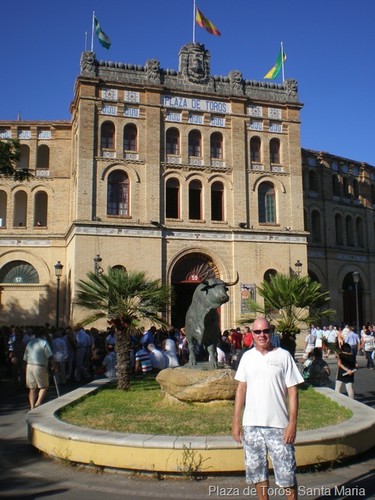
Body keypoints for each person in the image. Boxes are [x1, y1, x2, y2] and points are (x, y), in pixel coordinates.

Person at [232, 317, 303, 500]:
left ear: (271, 332)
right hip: (252, 426)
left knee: (287, 474)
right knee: (258, 473)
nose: (262, 335)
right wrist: (236, 422)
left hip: (279, 426)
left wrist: (292, 424)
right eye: (257, 332)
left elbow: (293, 392)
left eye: (265, 331)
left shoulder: (283, 356)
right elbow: (241, 389)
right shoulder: (247, 357)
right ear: (252, 334)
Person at [23, 327, 56, 410]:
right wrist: (54, 366)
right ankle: (38, 403)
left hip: (29, 365)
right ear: (43, 335)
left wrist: (24, 368)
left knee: (32, 388)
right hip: (39, 365)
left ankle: (32, 407)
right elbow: (50, 356)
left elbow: (25, 358)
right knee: (44, 386)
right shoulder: (44, 343)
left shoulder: (30, 343)